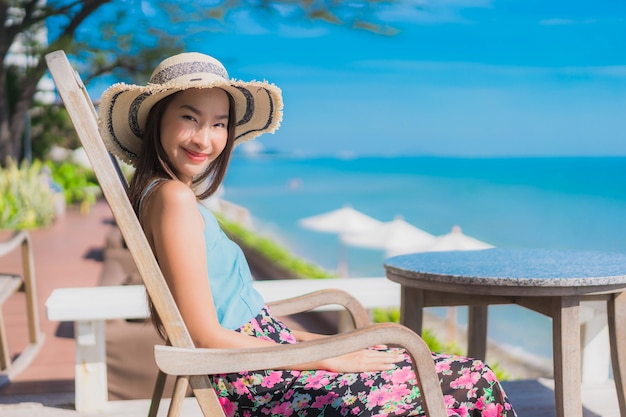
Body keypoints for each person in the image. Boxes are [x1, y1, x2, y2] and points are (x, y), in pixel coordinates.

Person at [98, 52, 517, 417]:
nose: (205, 139)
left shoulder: (167, 196)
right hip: (263, 388)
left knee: (433, 367)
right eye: (190, 118)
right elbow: (206, 335)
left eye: (219, 124)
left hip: (272, 363)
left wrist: (330, 346)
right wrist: (325, 360)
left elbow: (245, 324)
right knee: (468, 379)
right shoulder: (173, 199)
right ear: (158, 121)